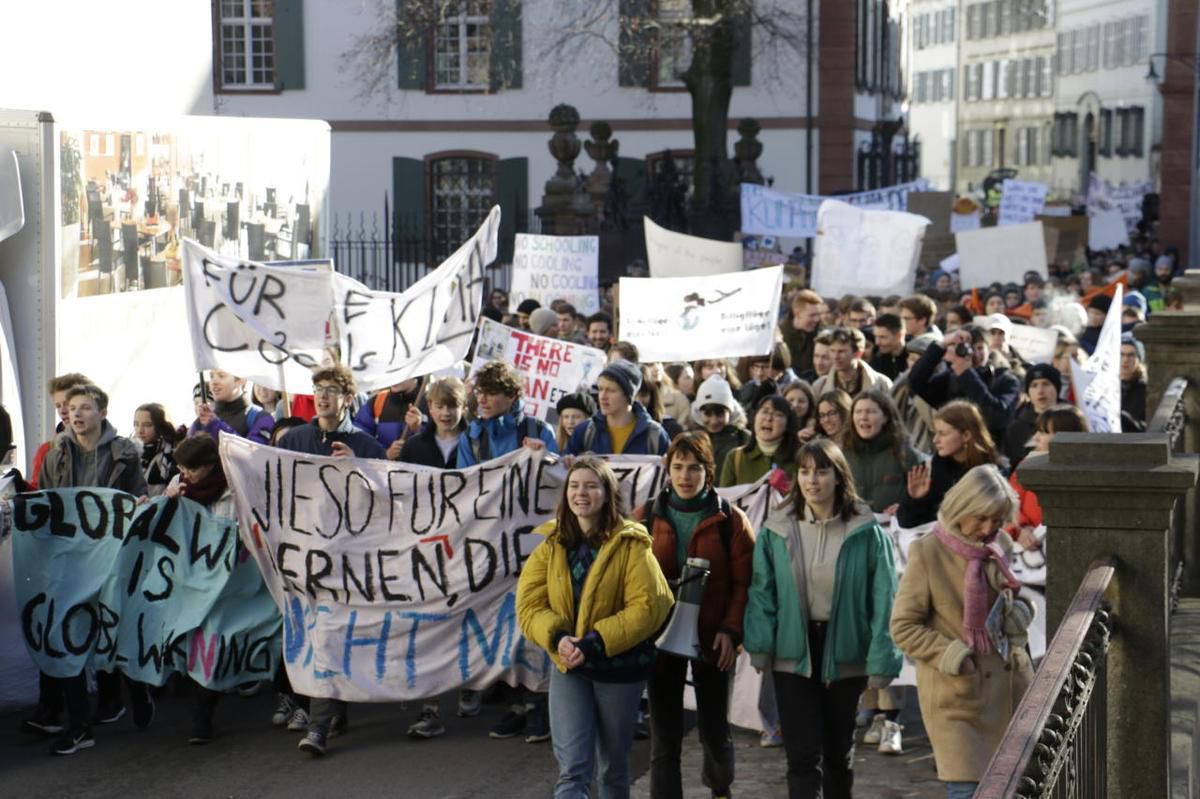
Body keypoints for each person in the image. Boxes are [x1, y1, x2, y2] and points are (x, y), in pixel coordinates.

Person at [744, 438, 902, 799]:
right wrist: (760, 643)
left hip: (845, 650)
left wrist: (882, 657)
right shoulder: (777, 528)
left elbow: (884, 600)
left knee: (837, 754)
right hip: (793, 648)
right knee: (801, 756)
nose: (812, 480)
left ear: (838, 477)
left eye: (821, 471)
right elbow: (762, 590)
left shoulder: (866, 532)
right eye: (804, 471)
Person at [516, 456, 674, 799]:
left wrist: (593, 642)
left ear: (607, 493)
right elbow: (529, 606)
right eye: (574, 485)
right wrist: (559, 638)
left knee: (612, 769)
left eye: (590, 485)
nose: (580, 493)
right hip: (569, 666)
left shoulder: (632, 543)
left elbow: (649, 606)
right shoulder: (552, 543)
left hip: (618, 668)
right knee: (572, 768)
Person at [890, 466, 1035, 799]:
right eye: (981, 518)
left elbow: (1014, 595)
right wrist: (955, 657)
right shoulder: (927, 552)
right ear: (960, 508)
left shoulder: (1002, 544)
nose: (989, 529)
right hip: (956, 694)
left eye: (997, 521)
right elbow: (903, 626)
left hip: (1007, 689)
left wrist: (1020, 612)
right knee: (966, 789)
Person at [29, 384, 153, 755]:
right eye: (71, 408)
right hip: (70, 559)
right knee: (67, 635)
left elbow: (137, 495)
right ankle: (79, 725)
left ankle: (134, 688)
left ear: (102, 412)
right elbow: (47, 499)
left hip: (112, 556)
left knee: (112, 629)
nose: (77, 414)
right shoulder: (55, 454)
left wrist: (140, 505)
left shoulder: (124, 453)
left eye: (85, 407)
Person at [637, 432, 755, 799]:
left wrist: (730, 631)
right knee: (664, 738)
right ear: (667, 470)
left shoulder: (730, 520)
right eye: (678, 467)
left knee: (714, 731)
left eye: (694, 468)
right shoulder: (645, 517)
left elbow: (743, 585)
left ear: (709, 472)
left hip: (712, 639)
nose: (686, 476)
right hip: (660, 641)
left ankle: (720, 788)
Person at [161, 434, 239, 744]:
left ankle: (203, 716)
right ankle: (201, 714)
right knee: (202, 647)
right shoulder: (178, 487)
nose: (185, 474)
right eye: (181, 467)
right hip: (192, 582)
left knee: (215, 646)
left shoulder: (236, 488)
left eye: (191, 469)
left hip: (230, 584)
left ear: (210, 466)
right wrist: (168, 502)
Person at [907, 324, 1021, 446]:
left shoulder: (1006, 380)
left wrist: (966, 374)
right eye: (970, 349)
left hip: (988, 453)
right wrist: (942, 344)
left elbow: (996, 417)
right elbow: (916, 382)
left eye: (980, 348)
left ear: (989, 349)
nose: (975, 354)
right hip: (952, 454)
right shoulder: (952, 378)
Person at [897, 400, 1006, 529]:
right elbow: (906, 523)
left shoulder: (994, 473)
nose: (935, 440)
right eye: (935, 433)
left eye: (943, 433)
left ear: (966, 435)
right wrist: (915, 499)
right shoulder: (929, 469)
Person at [1008, 405, 1088, 550]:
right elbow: (1010, 501)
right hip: (1030, 553)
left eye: (1044, 432)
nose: (1036, 437)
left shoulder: (1086, 471)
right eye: (1037, 430)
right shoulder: (1027, 465)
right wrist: (1022, 529)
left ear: (1065, 436)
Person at [277, 365, 388, 460]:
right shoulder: (291, 441)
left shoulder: (370, 448)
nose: (323, 395)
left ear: (348, 400)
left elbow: (380, 484)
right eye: (319, 388)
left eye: (331, 390)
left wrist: (356, 467)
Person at [566, 359, 670, 456]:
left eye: (611, 390)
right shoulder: (584, 432)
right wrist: (567, 461)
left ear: (628, 395)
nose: (602, 396)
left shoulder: (654, 435)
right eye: (600, 389)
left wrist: (668, 462)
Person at [842, 390, 923, 515]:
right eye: (858, 412)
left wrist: (905, 507)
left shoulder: (906, 454)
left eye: (870, 412)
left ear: (885, 417)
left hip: (894, 527)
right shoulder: (841, 455)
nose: (863, 417)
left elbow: (924, 498)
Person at [718, 395, 800, 488]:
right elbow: (725, 498)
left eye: (778, 414)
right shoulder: (736, 457)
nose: (769, 418)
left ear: (788, 423)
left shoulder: (800, 457)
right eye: (764, 412)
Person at [29, 372, 93, 488]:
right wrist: (18, 490)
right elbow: (36, 492)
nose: (62, 411)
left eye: (67, 404)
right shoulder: (47, 451)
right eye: (58, 405)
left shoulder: (115, 449)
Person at [399, 376, 468, 469]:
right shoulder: (412, 447)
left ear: (463, 407)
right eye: (439, 406)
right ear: (430, 406)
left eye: (452, 406)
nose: (446, 413)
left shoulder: (477, 444)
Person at [191, 369, 275, 444]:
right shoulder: (202, 421)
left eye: (221, 375)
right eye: (211, 376)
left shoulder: (261, 417)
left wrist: (215, 426)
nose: (213, 382)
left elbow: (252, 455)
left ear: (241, 380)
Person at [1002, 363, 1062, 466]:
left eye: (1046, 384)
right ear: (1028, 391)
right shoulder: (1015, 428)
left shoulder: (1072, 420)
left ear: (1057, 388)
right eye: (1034, 385)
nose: (1040, 391)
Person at [691, 375, 751, 475]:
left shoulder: (745, 439)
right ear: (698, 412)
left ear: (731, 412)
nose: (713, 421)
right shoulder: (692, 440)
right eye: (707, 414)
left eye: (720, 414)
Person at [891, 332, 940, 454]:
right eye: (910, 358)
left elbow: (937, 424)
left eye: (916, 359)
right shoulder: (901, 384)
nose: (911, 363)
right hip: (903, 448)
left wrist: (916, 396)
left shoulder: (941, 385)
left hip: (930, 449)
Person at [812, 327, 893, 397]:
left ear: (858, 353)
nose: (835, 357)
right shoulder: (819, 387)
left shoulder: (882, 384)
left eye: (841, 352)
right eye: (832, 351)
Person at [354, 378, 424, 457]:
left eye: (400, 371)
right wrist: (385, 454)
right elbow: (360, 439)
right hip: (382, 467)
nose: (394, 377)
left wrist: (418, 430)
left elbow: (437, 446)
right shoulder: (378, 400)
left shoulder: (431, 402)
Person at [132, 402, 180, 496]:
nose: (140, 430)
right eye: (136, 424)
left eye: (147, 425)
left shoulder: (171, 454)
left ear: (160, 425)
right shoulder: (128, 450)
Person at [779, 289, 824, 376]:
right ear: (797, 313)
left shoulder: (821, 337)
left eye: (818, 315)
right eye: (812, 315)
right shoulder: (779, 336)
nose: (817, 319)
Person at [1120, 333, 1148, 432]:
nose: (1125, 360)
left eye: (1131, 355)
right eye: (1121, 354)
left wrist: (1127, 420)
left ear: (1139, 359)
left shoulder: (1146, 390)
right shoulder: (1105, 386)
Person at [869, 313, 907, 381]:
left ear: (899, 335)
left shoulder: (912, 359)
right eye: (876, 336)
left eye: (883, 337)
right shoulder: (877, 357)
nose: (877, 342)